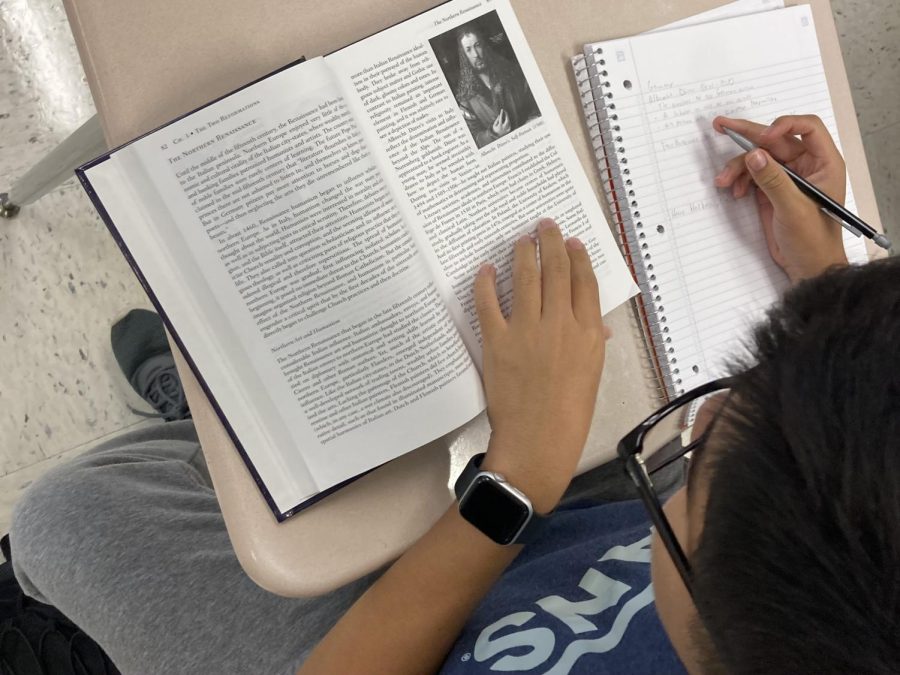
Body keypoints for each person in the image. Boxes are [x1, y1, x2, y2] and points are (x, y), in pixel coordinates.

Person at [7, 112, 895, 674]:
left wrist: (508, 492)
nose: (697, 416)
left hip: (404, 626)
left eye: (697, 460)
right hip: (569, 529)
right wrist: (826, 302)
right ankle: (245, 440)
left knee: (72, 515)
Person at [453, 24, 539, 148]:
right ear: (464, 55)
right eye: (468, 49)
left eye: (477, 45)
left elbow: (533, 102)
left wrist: (532, 120)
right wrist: (493, 134)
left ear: (484, 46)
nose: (476, 54)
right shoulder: (465, 98)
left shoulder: (511, 72)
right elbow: (473, 139)